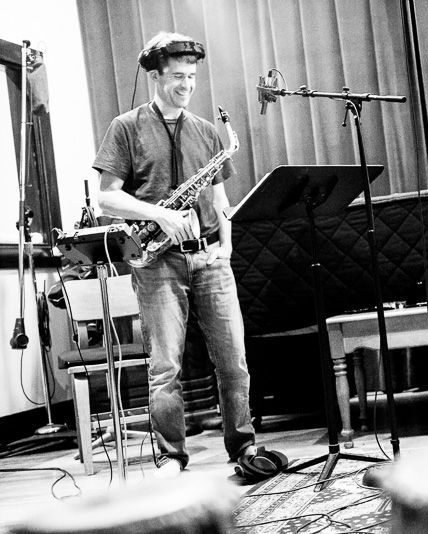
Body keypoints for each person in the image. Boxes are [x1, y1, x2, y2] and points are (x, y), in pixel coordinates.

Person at [93, 31, 258, 478]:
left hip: (209, 258)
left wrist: (227, 246)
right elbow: (105, 198)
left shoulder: (206, 130)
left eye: (192, 77)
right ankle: (171, 455)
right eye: (177, 77)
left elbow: (220, 198)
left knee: (234, 363)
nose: (187, 85)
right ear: (155, 76)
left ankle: (243, 446)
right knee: (165, 367)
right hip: (158, 261)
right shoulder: (125, 127)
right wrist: (159, 215)